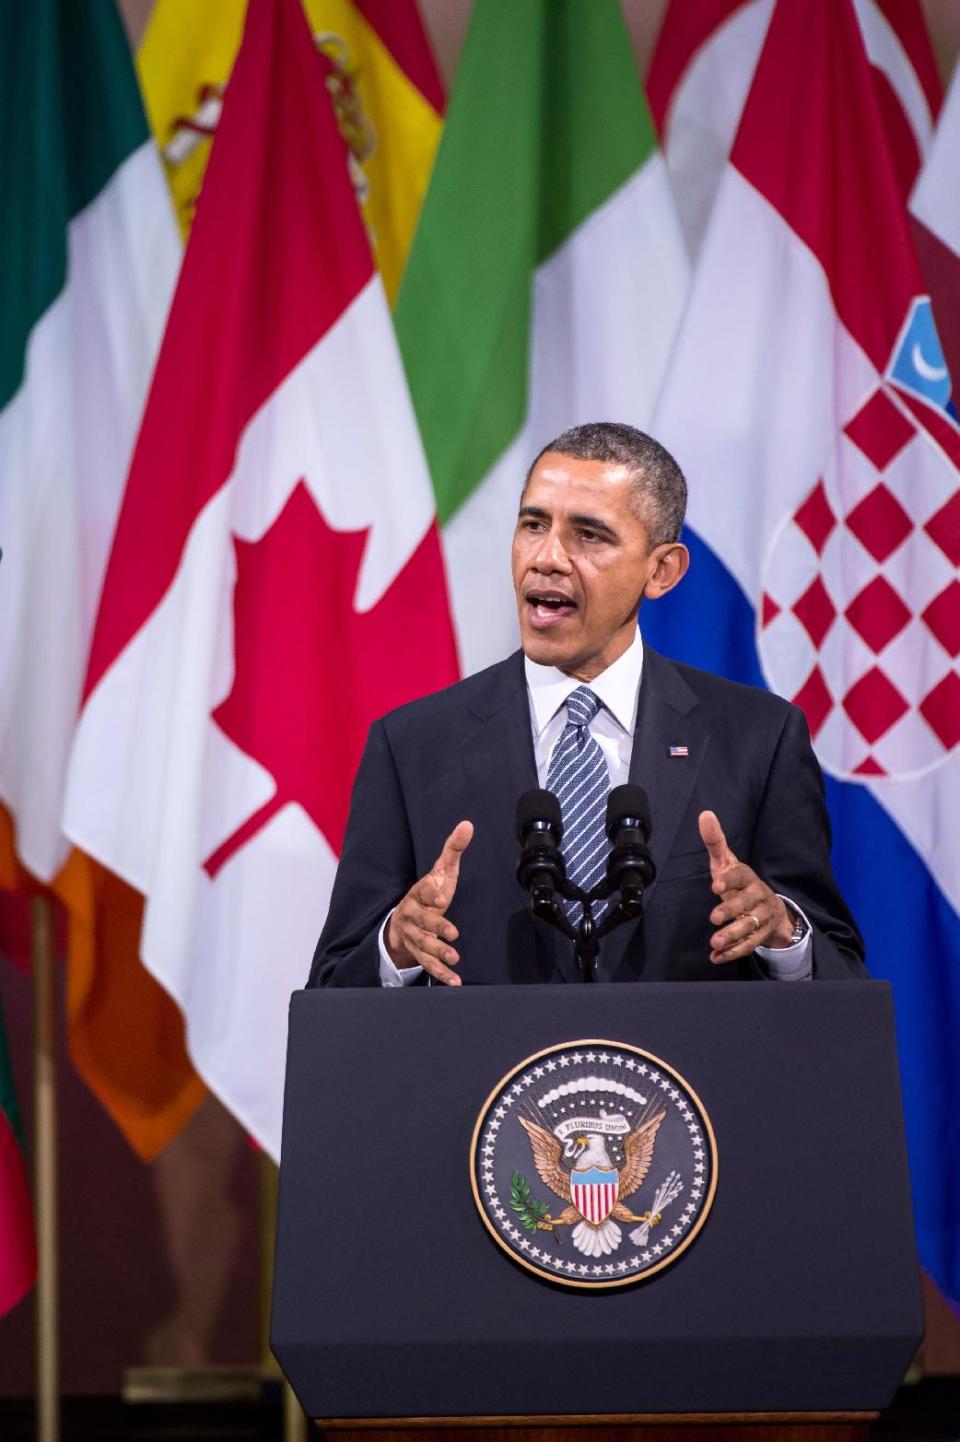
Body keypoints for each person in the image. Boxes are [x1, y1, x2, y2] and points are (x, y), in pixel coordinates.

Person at [308, 423, 864, 988]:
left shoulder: (757, 740)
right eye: (533, 524)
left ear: (661, 570)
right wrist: (396, 947)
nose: (546, 557)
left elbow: (841, 980)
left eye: (589, 535)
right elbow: (333, 990)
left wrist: (782, 937)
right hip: (484, 1075)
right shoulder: (413, 746)